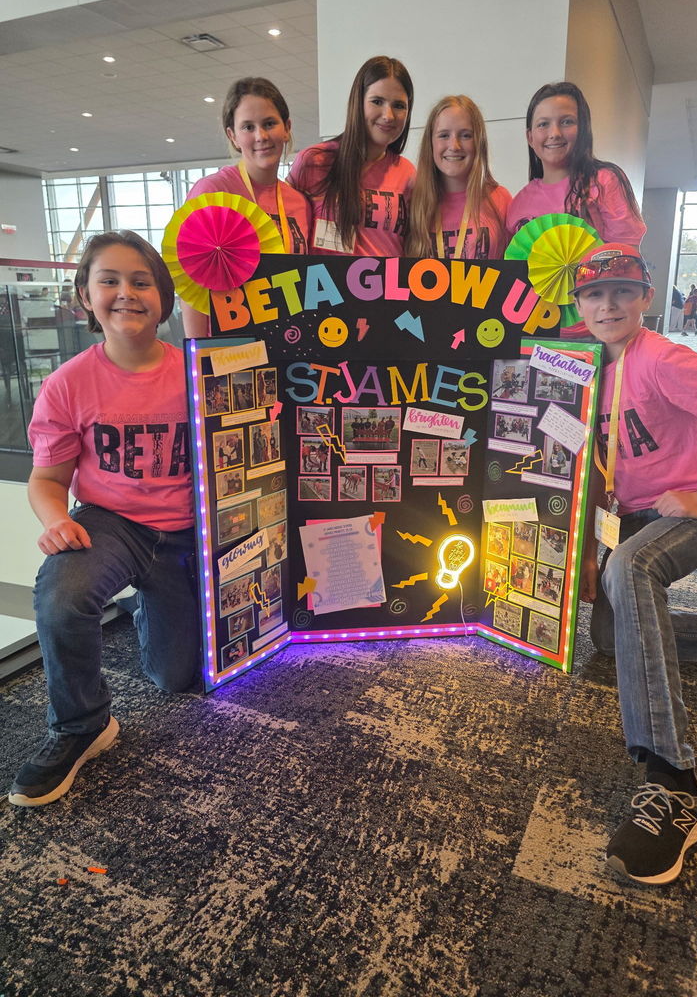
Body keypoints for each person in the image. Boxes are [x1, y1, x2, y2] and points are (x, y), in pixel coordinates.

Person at [577, 242, 697, 885]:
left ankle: (674, 783)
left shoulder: (661, 357)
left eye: (623, 292)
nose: (608, 304)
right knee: (607, 639)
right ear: (577, 304)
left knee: (630, 571)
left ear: (646, 299)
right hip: (634, 515)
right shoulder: (588, 368)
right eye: (595, 294)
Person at [8, 231, 200, 807]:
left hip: (187, 531)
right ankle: (80, 725)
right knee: (63, 594)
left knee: (175, 678)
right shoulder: (68, 382)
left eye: (141, 281)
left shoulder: (197, 372)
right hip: (110, 522)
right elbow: (46, 480)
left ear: (163, 296)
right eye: (108, 281)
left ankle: (146, 605)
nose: (126, 293)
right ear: (85, 297)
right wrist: (53, 520)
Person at [182, 77, 312, 338]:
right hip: (232, 349)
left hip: (289, 342)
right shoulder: (213, 193)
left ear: (286, 128)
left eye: (269, 124)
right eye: (248, 127)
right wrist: (198, 359)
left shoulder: (299, 203)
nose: (261, 136)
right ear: (233, 135)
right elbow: (192, 287)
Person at [287, 56, 415, 256]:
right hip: (324, 286)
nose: (388, 115)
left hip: (389, 286)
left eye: (399, 105)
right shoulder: (315, 161)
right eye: (377, 101)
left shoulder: (408, 173)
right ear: (359, 102)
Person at [506, 82, 646, 246]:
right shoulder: (519, 203)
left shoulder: (604, 181)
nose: (555, 133)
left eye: (566, 122)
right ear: (530, 137)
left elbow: (626, 258)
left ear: (583, 129)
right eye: (543, 124)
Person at [406, 95, 511, 259]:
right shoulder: (414, 201)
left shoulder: (500, 199)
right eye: (444, 135)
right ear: (430, 142)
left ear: (479, 142)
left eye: (465, 135)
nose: (454, 146)